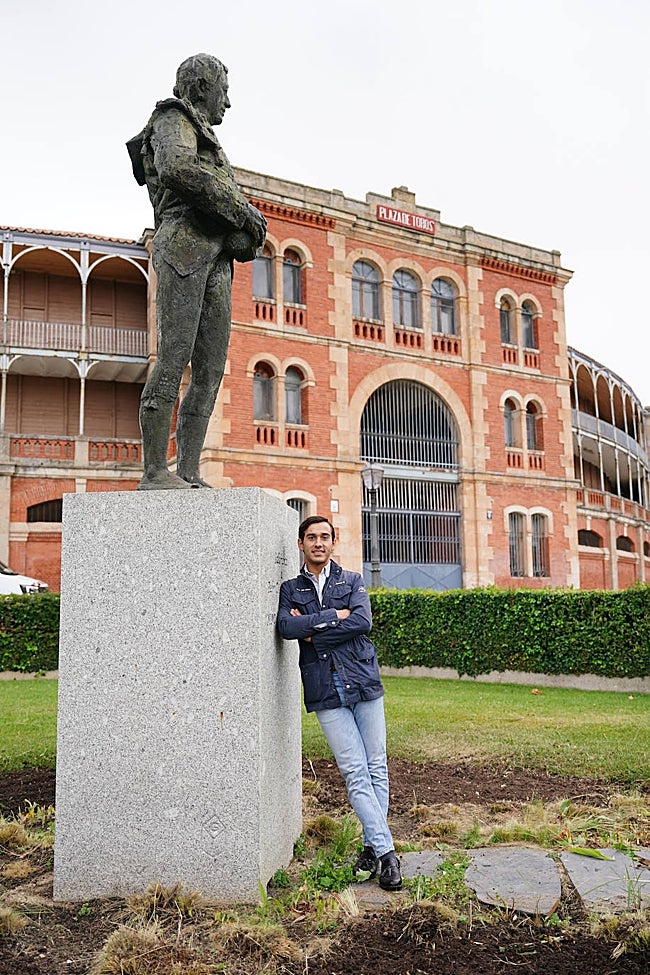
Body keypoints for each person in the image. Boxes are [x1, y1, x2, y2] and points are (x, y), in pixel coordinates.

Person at [127, 54, 267, 490]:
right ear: (203, 86)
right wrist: (243, 211)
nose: (228, 102)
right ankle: (155, 470)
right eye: (224, 91)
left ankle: (188, 471)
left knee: (210, 369)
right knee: (174, 357)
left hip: (216, 257)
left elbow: (232, 218)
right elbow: (178, 169)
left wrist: (246, 231)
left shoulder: (212, 142)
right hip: (183, 246)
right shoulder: (173, 117)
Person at [277, 516, 402, 891]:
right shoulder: (290, 589)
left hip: (363, 681)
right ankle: (388, 854)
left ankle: (372, 849)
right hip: (325, 690)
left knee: (376, 767)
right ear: (301, 544)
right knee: (354, 771)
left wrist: (314, 632)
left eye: (324, 537)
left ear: (334, 542)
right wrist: (334, 616)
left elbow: (362, 623)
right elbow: (286, 628)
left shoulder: (352, 581)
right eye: (311, 537)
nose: (318, 543)